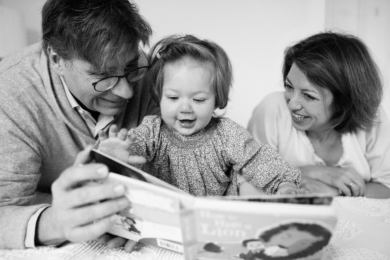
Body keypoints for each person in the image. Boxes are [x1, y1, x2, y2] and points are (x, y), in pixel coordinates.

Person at [0, 0, 158, 250]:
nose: (127, 92)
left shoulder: (151, 75)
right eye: (103, 75)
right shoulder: (11, 95)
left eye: (130, 66)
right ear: (57, 60)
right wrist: (57, 223)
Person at [99, 34, 302, 197]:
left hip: (215, 217)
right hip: (167, 214)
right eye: (173, 97)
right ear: (158, 97)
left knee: (247, 180)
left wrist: (283, 183)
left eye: (198, 100)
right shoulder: (152, 130)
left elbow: (256, 159)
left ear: (217, 99)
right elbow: (136, 147)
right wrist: (117, 156)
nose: (185, 108)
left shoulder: (226, 133)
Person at [247, 32, 390, 198]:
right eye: (289, 86)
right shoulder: (272, 109)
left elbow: (386, 188)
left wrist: (333, 193)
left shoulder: (374, 119)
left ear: (343, 101)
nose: (292, 104)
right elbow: (249, 180)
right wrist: (315, 172)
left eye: (308, 96)